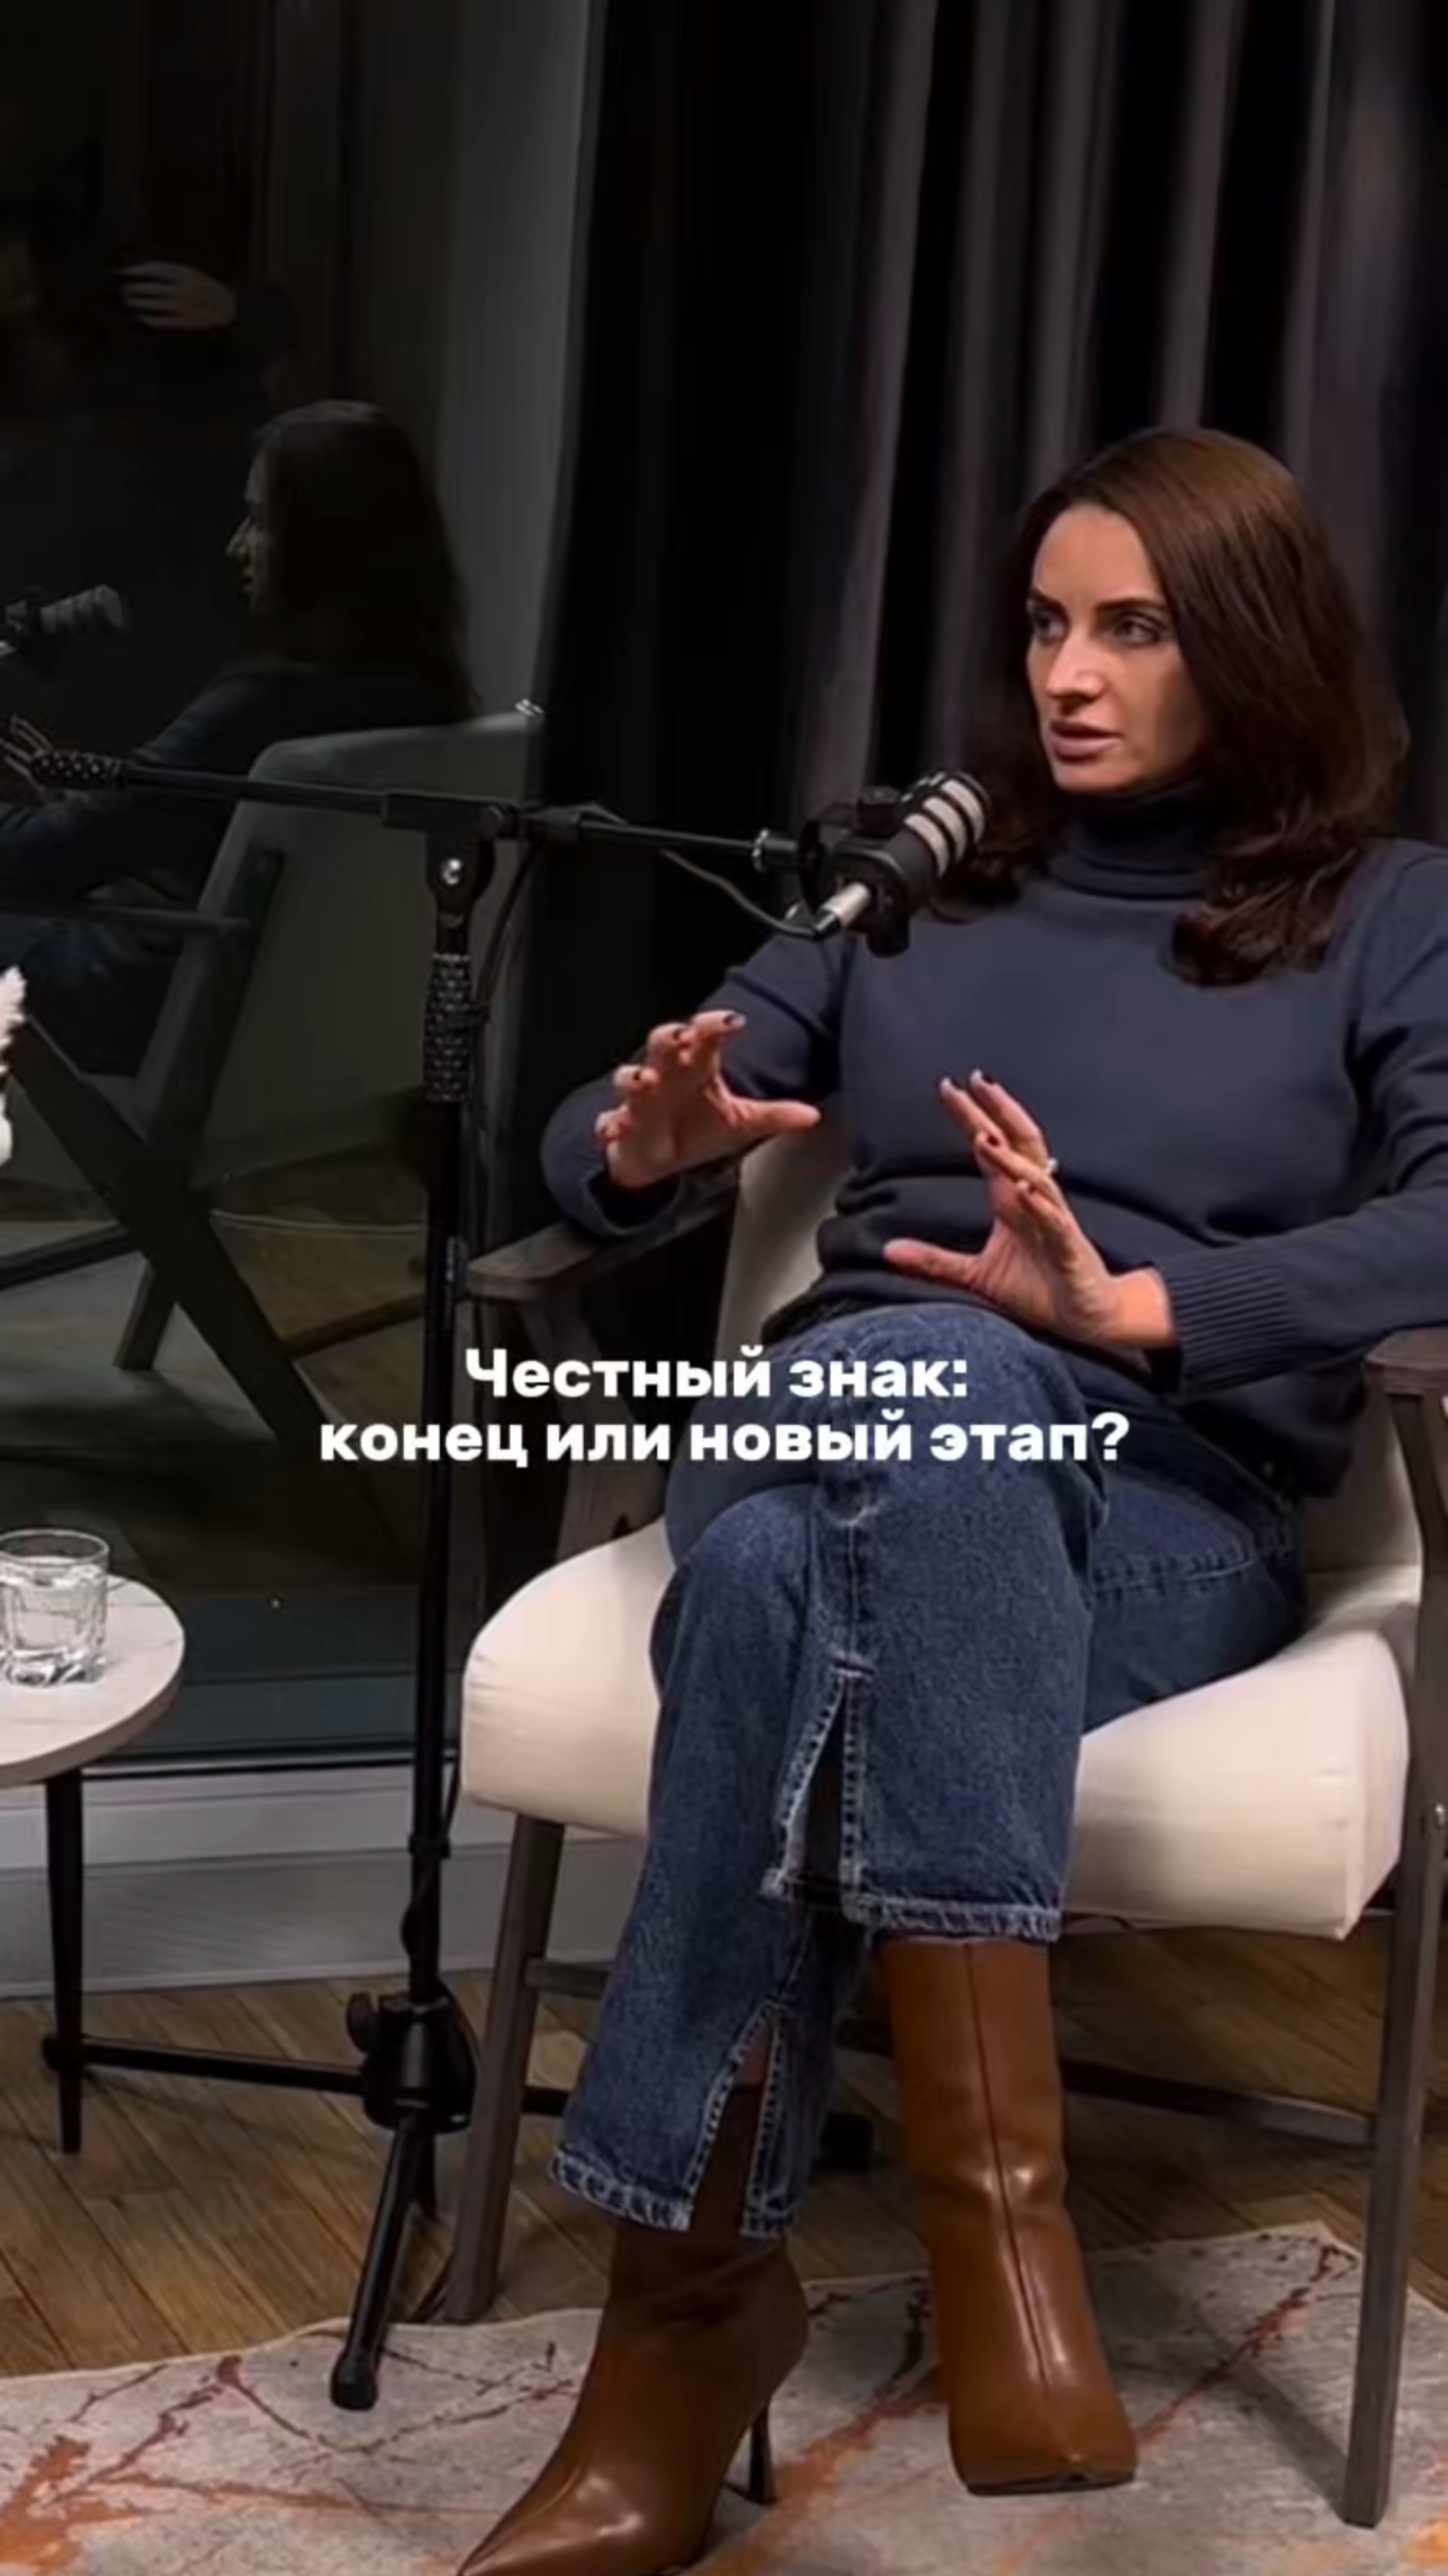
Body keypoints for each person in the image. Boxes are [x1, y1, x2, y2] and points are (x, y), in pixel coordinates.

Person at [456, 426, 1448, 2574]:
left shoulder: (1384, 918)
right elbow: (620, 1123)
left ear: (1251, 646)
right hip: (831, 1410)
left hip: (1157, 1515)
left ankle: (681, 2319)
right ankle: (1002, 2230)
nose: (1067, 675)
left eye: (1132, 628)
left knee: (767, 1597)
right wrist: (641, 1141)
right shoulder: (915, 885)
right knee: (921, 1375)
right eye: (1044, 625)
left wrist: (1136, 1304)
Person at [0, 399, 477, 1072]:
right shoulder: (425, 695)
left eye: (259, 520)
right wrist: (83, 810)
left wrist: (64, 824)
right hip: (301, 1033)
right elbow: (166, 825)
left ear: (324, 543)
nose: (236, 545)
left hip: (138, 1002)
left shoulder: (266, 705)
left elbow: (52, 860)